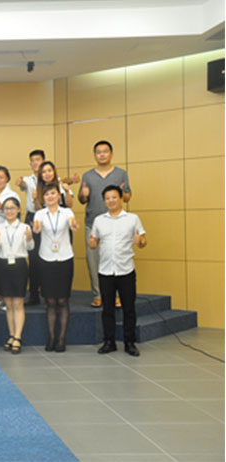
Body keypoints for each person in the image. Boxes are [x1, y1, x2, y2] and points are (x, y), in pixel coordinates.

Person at [89, 185, 147, 357]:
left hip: (126, 270)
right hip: (105, 271)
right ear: (104, 201)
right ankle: (109, 342)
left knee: (129, 308)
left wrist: (140, 241)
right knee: (107, 309)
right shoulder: (99, 220)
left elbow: (143, 241)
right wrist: (92, 244)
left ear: (121, 199)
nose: (111, 201)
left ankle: (129, 342)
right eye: (107, 198)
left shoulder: (132, 219)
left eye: (114, 197)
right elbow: (94, 242)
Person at [78, 140, 131, 308]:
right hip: (93, 223)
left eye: (105, 151)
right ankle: (98, 295)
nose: (102, 154)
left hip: (115, 224)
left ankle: (116, 296)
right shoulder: (87, 176)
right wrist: (84, 195)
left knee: (115, 259)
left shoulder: (121, 173)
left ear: (111, 154)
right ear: (95, 155)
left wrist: (122, 193)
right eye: (98, 152)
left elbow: (128, 197)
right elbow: (81, 200)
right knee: (93, 261)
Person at [33, 184, 79, 353]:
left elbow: (72, 223)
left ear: (59, 195)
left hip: (65, 258)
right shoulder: (40, 213)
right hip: (46, 259)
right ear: (43, 198)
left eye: (53, 193)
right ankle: (51, 337)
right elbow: (37, 226)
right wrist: (36, 228)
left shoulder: (67, 212)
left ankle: (61, 339)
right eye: (46, 194)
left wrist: (74, 225)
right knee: (50, 301)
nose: (50, 197)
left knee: (63, 300)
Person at [0, 197, 34, 354]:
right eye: (6, 208)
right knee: (8, 304)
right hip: (2, 265)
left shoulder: (24, 227)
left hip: (19, 265)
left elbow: (30, 247)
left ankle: (18, 336)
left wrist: (29, 239)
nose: (9, 211)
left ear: (18, 210)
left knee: (18, 303)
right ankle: (11, 335)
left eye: (12, 208)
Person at [0, 166, 20, 311]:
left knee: (8, 269)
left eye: (1, 177)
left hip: (8, 237)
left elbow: (15, 214)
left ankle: (10, 298)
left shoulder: (12, 195)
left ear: (7, 178)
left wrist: (3, 208)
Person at [15, 149, 45, 306]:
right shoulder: (28, 179)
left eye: (38, 160)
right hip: (32, 217)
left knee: (47, 257)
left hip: (48, 217)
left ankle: (48, 293)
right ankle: (33, 294)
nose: (35, 163)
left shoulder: (52, 178)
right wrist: (20, 183)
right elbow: (22, 185)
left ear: (44, 161)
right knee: (33, 257)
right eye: (32, 160)